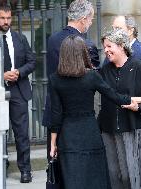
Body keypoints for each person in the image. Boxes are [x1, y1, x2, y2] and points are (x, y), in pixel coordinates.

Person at [49, 35, 141, 189]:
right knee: (95, 179)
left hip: (68, 136)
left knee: (73, 179)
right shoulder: (91, 76)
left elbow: (56, 115)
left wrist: (53, 144)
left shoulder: (55, 79)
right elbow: (116, 97)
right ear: (82, 53)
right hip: (90, 134)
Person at [99, 28, 141, 189]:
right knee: (117, 176)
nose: (106, 50)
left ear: (122, 45)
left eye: (109, 46)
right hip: (110, 131)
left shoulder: (139, 66)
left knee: (135, 174)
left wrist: (139, 107)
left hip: (134, 128)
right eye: (105, 47)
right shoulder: (105, 70)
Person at [42, 0, 100, 161]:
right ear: (83, 19)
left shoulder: (53, 40)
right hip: (76, 116)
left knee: (55, 162)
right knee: (76, 166)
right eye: (90, 19)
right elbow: (95, 80)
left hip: (54, 110)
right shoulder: (86, 44)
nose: (90, 23)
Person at [0, 4, 36, 183]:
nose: (6, 21)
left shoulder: (20, 38)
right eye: (2, 18)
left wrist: (19, 72)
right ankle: (1, 165)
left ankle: (25, 170)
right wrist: (0, 75)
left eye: (9, 18)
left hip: (18, 90)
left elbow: (31, 62)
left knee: (22, 133)